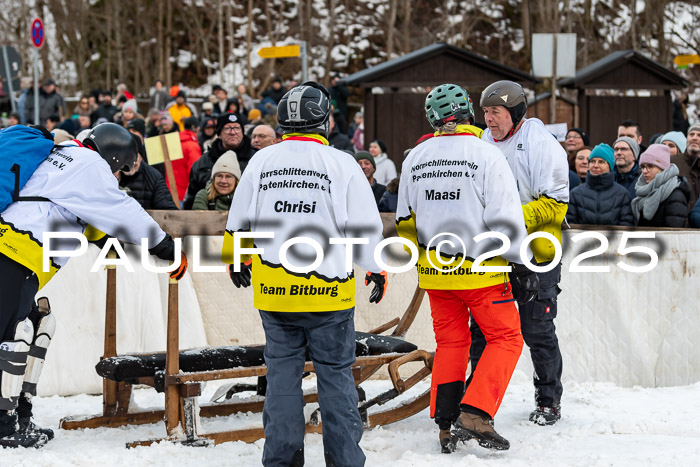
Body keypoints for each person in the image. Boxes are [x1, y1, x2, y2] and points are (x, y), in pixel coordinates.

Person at [223, 81, 387, 467]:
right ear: (324, 122)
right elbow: (364, 227)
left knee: (281, 382)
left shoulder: (261, 161)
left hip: (275, 293)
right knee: (336, 380)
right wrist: (376, 269)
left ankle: (281, 461)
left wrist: (236, 261)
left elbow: (237, 222)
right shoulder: (343, 163)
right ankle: (345, 461)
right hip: (329, 295)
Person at [0, 123, 186, 448]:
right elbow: (123, 211)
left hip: (14, 250)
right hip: (18, 254)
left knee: (39, 324)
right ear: (114, 157)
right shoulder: (90, 167)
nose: (117, 176)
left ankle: (21, 414)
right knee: (14, 336)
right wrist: (164, 246)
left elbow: (86, 221)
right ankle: (4, 424)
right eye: (119, 169)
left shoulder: (62, 156)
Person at [397, 83, 533, 453]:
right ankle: (474, 412)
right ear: (469, 112)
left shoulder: (415, 157)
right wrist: (522, 264)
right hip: (482, 271)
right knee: (506, 339)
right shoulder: (487, 154)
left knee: (451, 343)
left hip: (436, 272)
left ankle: (445, 421)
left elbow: (404, 220)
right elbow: (506, 217)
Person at [474, 80, 569, 426]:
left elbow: (556, 204)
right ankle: (476, 403)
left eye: (495, 112)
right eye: (485, 112)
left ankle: (548, 400)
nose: (489, 120)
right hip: (497, 255)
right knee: (483, 330)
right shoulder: (483, 142)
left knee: (537, 329)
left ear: (514, 113)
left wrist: (510, 219)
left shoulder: (542, 144)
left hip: (537, 254)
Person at [184, 112, 257, 209]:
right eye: (227, 128)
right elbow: (192, 195)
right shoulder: (204, 161)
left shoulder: (256, 159)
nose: (233, 132)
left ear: (242, 132)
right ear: (219, 134)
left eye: (237, 128)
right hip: (208, 217)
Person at [566, 144, 634, 226]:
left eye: (601, 162)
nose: (596, 166)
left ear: (610, 166)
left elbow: (626, 224)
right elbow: (570, 225)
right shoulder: (575, 194)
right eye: (592, 161)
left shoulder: (622, 194)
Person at [631, 144, 689, 228]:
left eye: (650, 166)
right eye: (643, 167)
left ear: (662, 168)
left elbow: (673, 233)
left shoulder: (675, 195)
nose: (644, 171)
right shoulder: (642, 191)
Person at [118, 135, 178, 210]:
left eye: (134, 158)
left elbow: (167, 209)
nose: (129, 164)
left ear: (141, 158)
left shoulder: (153, 177)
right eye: (125, 157)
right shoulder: (112, 174)